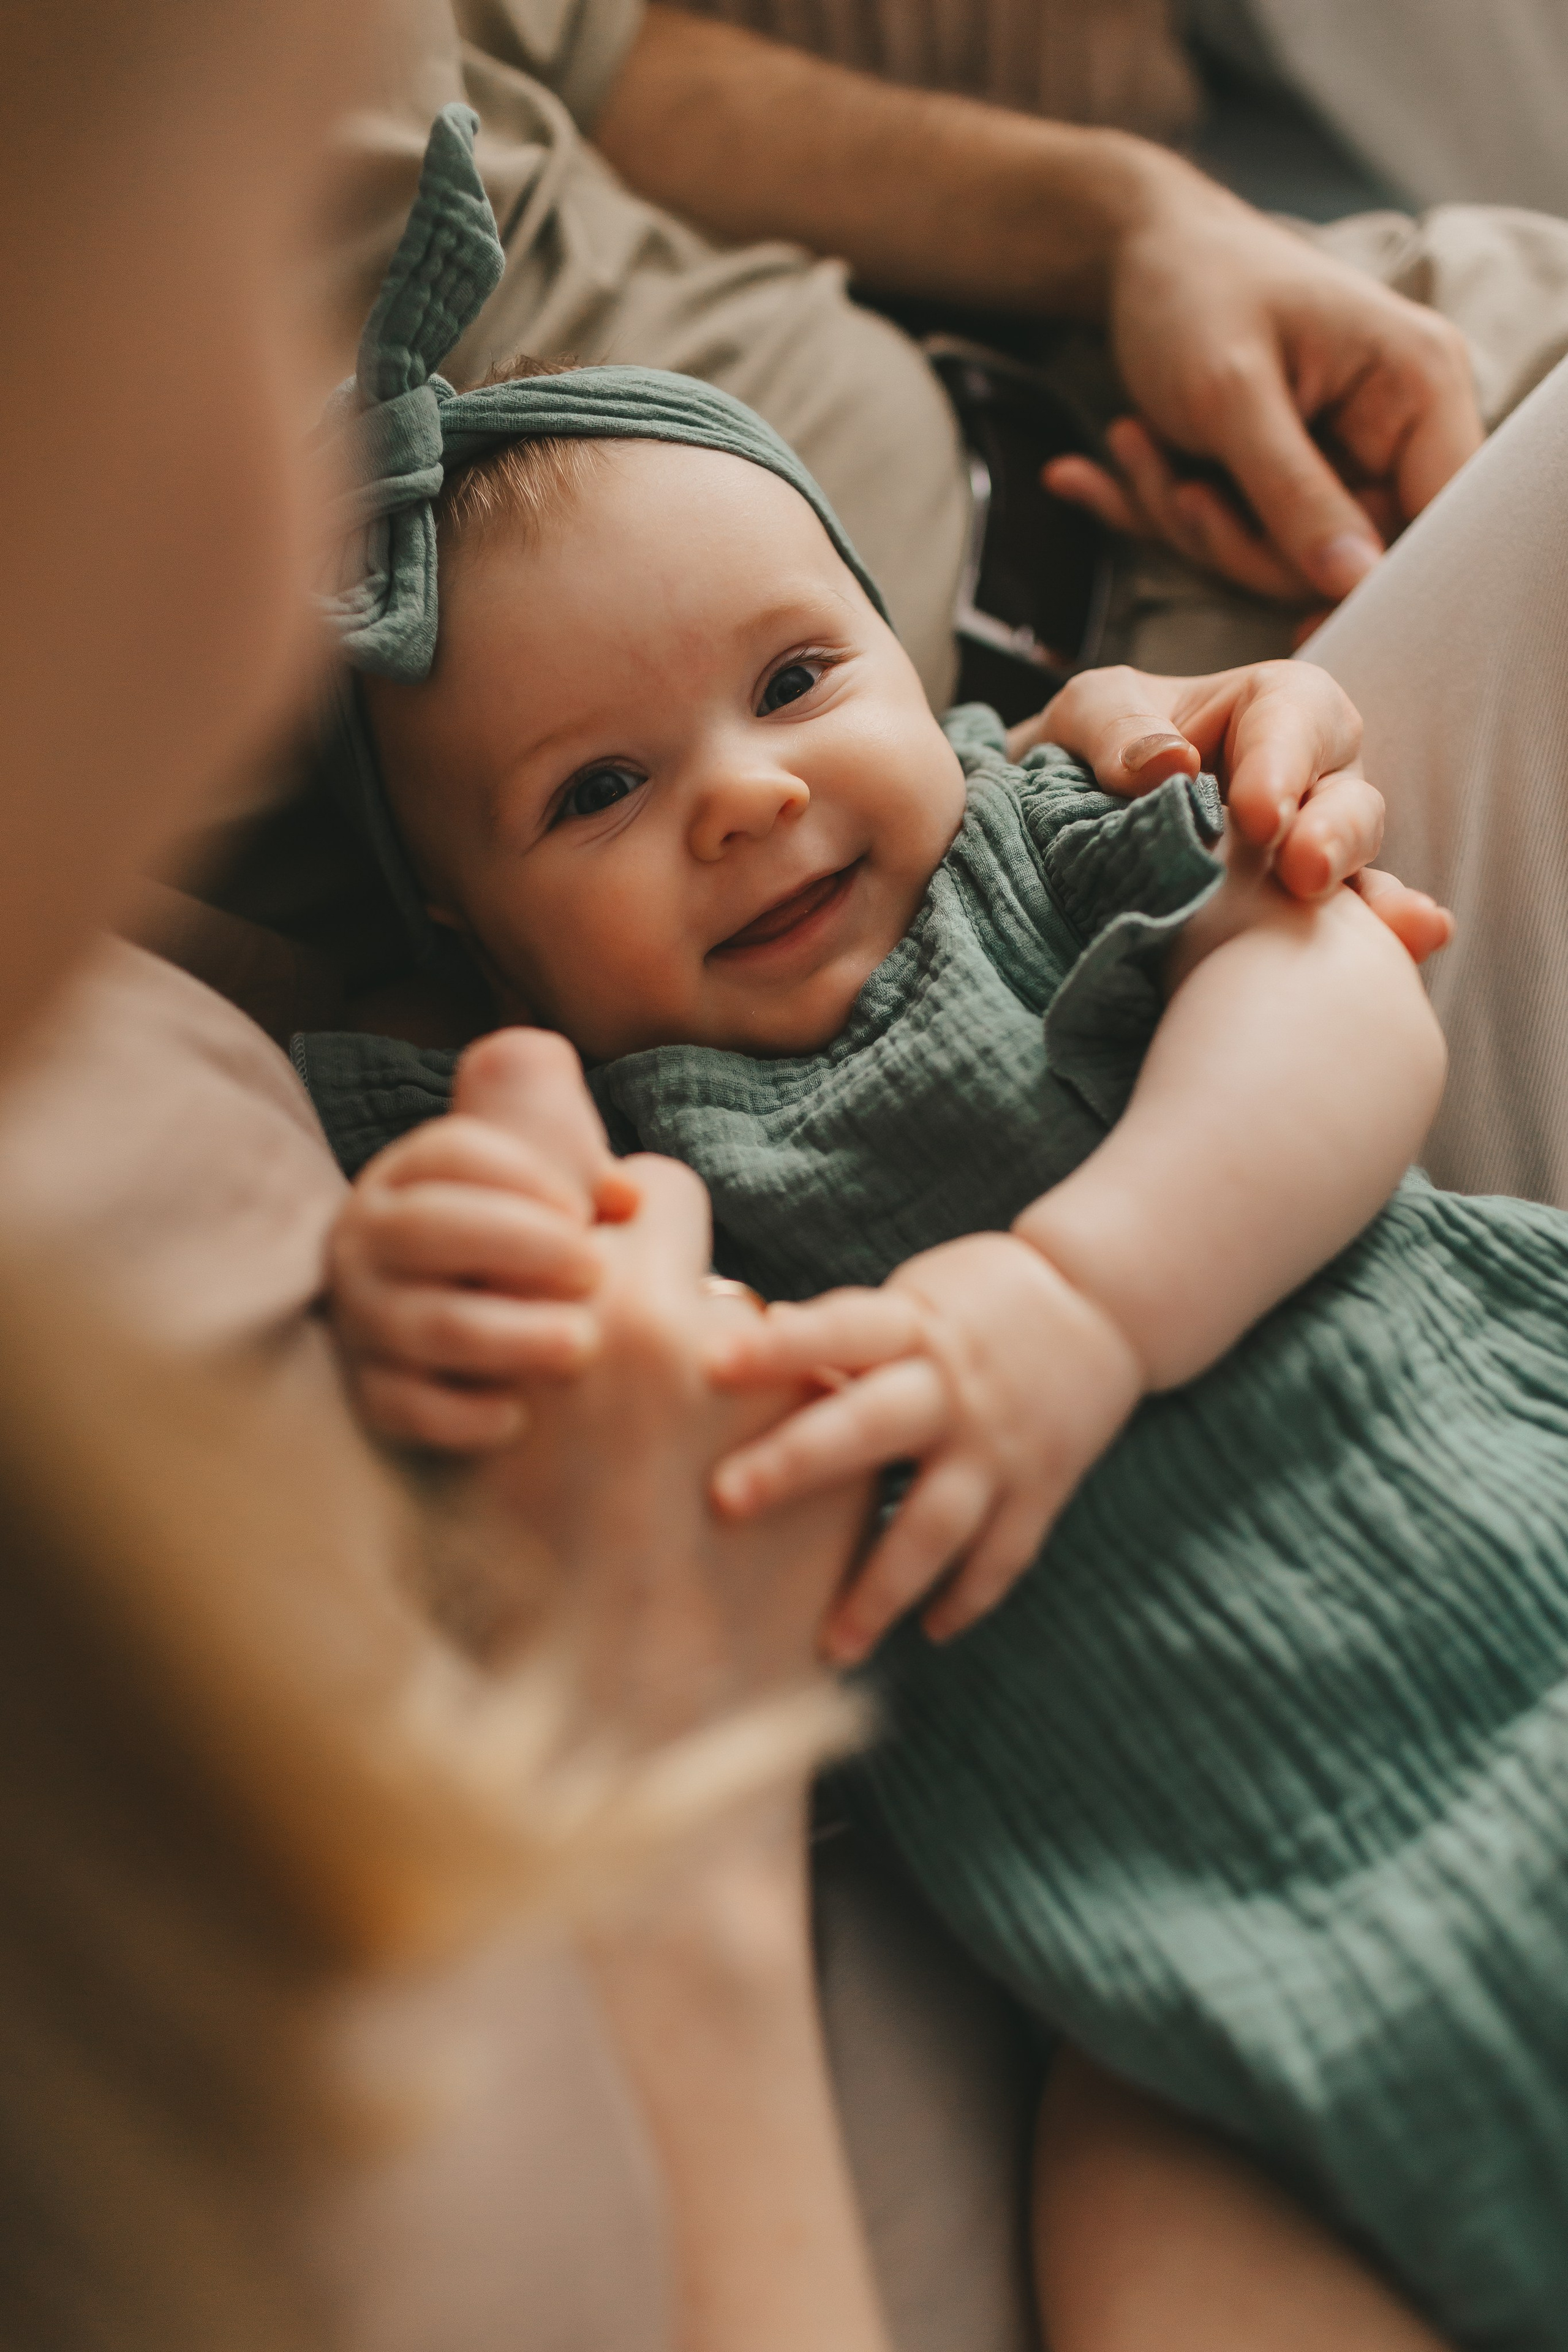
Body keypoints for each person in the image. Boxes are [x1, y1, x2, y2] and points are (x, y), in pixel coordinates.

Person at [298, 123, 1568, 2343]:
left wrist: (1082, 1292)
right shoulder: (604, 1118)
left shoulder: (1028, 839)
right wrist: (436, 1239)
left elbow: (1342, 981)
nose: (748, 790)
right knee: (1147, 2245)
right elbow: (506, 1242)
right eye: (594, 793)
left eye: (795, 680)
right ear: (481, 955)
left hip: (1508, 1555)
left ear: (918, 683)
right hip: (1184, 1949)